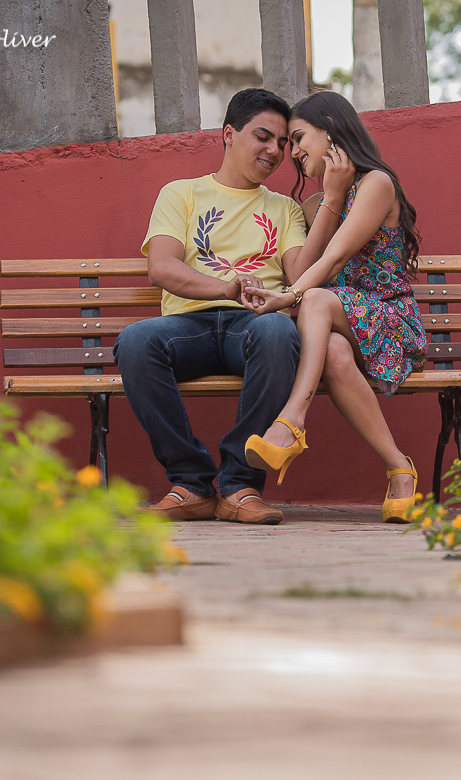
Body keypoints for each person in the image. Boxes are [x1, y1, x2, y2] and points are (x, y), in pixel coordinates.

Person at [115, 88, 354, 524]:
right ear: (229, 133)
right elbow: (161, 268)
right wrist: (224, 288)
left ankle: (239, 486)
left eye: (283, 143)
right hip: (190, 325)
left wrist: (331, 202)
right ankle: (190, 483)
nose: (275, 151)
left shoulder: (284, 209)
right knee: (134, 341)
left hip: (256, 323)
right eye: (262, 137)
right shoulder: (181, 194)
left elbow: (299, 272)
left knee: (281, 332)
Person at [241, 91, 427, 524]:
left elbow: (334, 260)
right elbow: (302, 268)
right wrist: (331, 198)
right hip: (342, 329)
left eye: (301, 137)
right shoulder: (314, 204)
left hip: (388, 319)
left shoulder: (377, 182)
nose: (294, 151)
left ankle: (291, 421)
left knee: (320, 298)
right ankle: (400, 469)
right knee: (336, 354)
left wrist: (289, 298)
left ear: (332, 130)